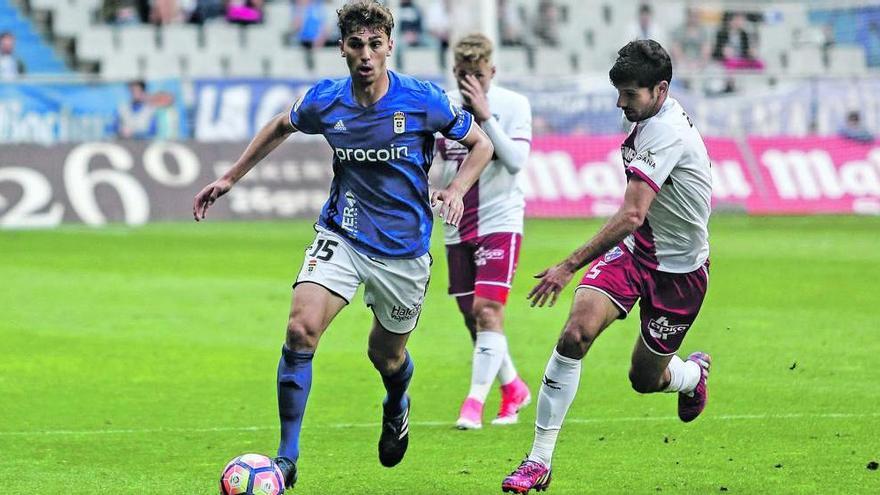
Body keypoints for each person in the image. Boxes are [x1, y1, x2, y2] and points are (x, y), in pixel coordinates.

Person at [192, 1, 494, 490]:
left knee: (386, 356)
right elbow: (279, 125)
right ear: (342, 49)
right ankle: (287, 459)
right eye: (357, 44)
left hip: (404, 250)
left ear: (390, 46)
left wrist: (456, 188)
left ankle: (397, 402)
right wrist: (230, 177)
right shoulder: (326, 101)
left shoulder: (423, 100)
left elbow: (482, 144)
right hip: (343, 232)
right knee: (300, 330)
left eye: (376, 44)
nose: (367, 55)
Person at [501, 39, 712, 494]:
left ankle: (693, 375)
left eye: (630, 94)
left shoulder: (666, 132)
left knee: (645, 379)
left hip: (680, 274)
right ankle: (538, 461)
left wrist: (568, 265)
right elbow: (638, 226)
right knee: (574, 334)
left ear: (660, 89)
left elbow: (633, 213)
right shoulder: (652, 119)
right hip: (636, 254)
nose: (620, 103)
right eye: (618, 92)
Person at [435, 33, 532, 430]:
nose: (470, 83)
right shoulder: (441, 107)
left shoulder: (513, 105)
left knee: (487, 310)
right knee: (470, 316)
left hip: (500, 219)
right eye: (463, 75)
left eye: (478, 74)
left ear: (492, 71)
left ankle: (473, 403)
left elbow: (514, 162)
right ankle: (513, 388)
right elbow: (440, 161)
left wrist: (485, 115)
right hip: (457, 222)